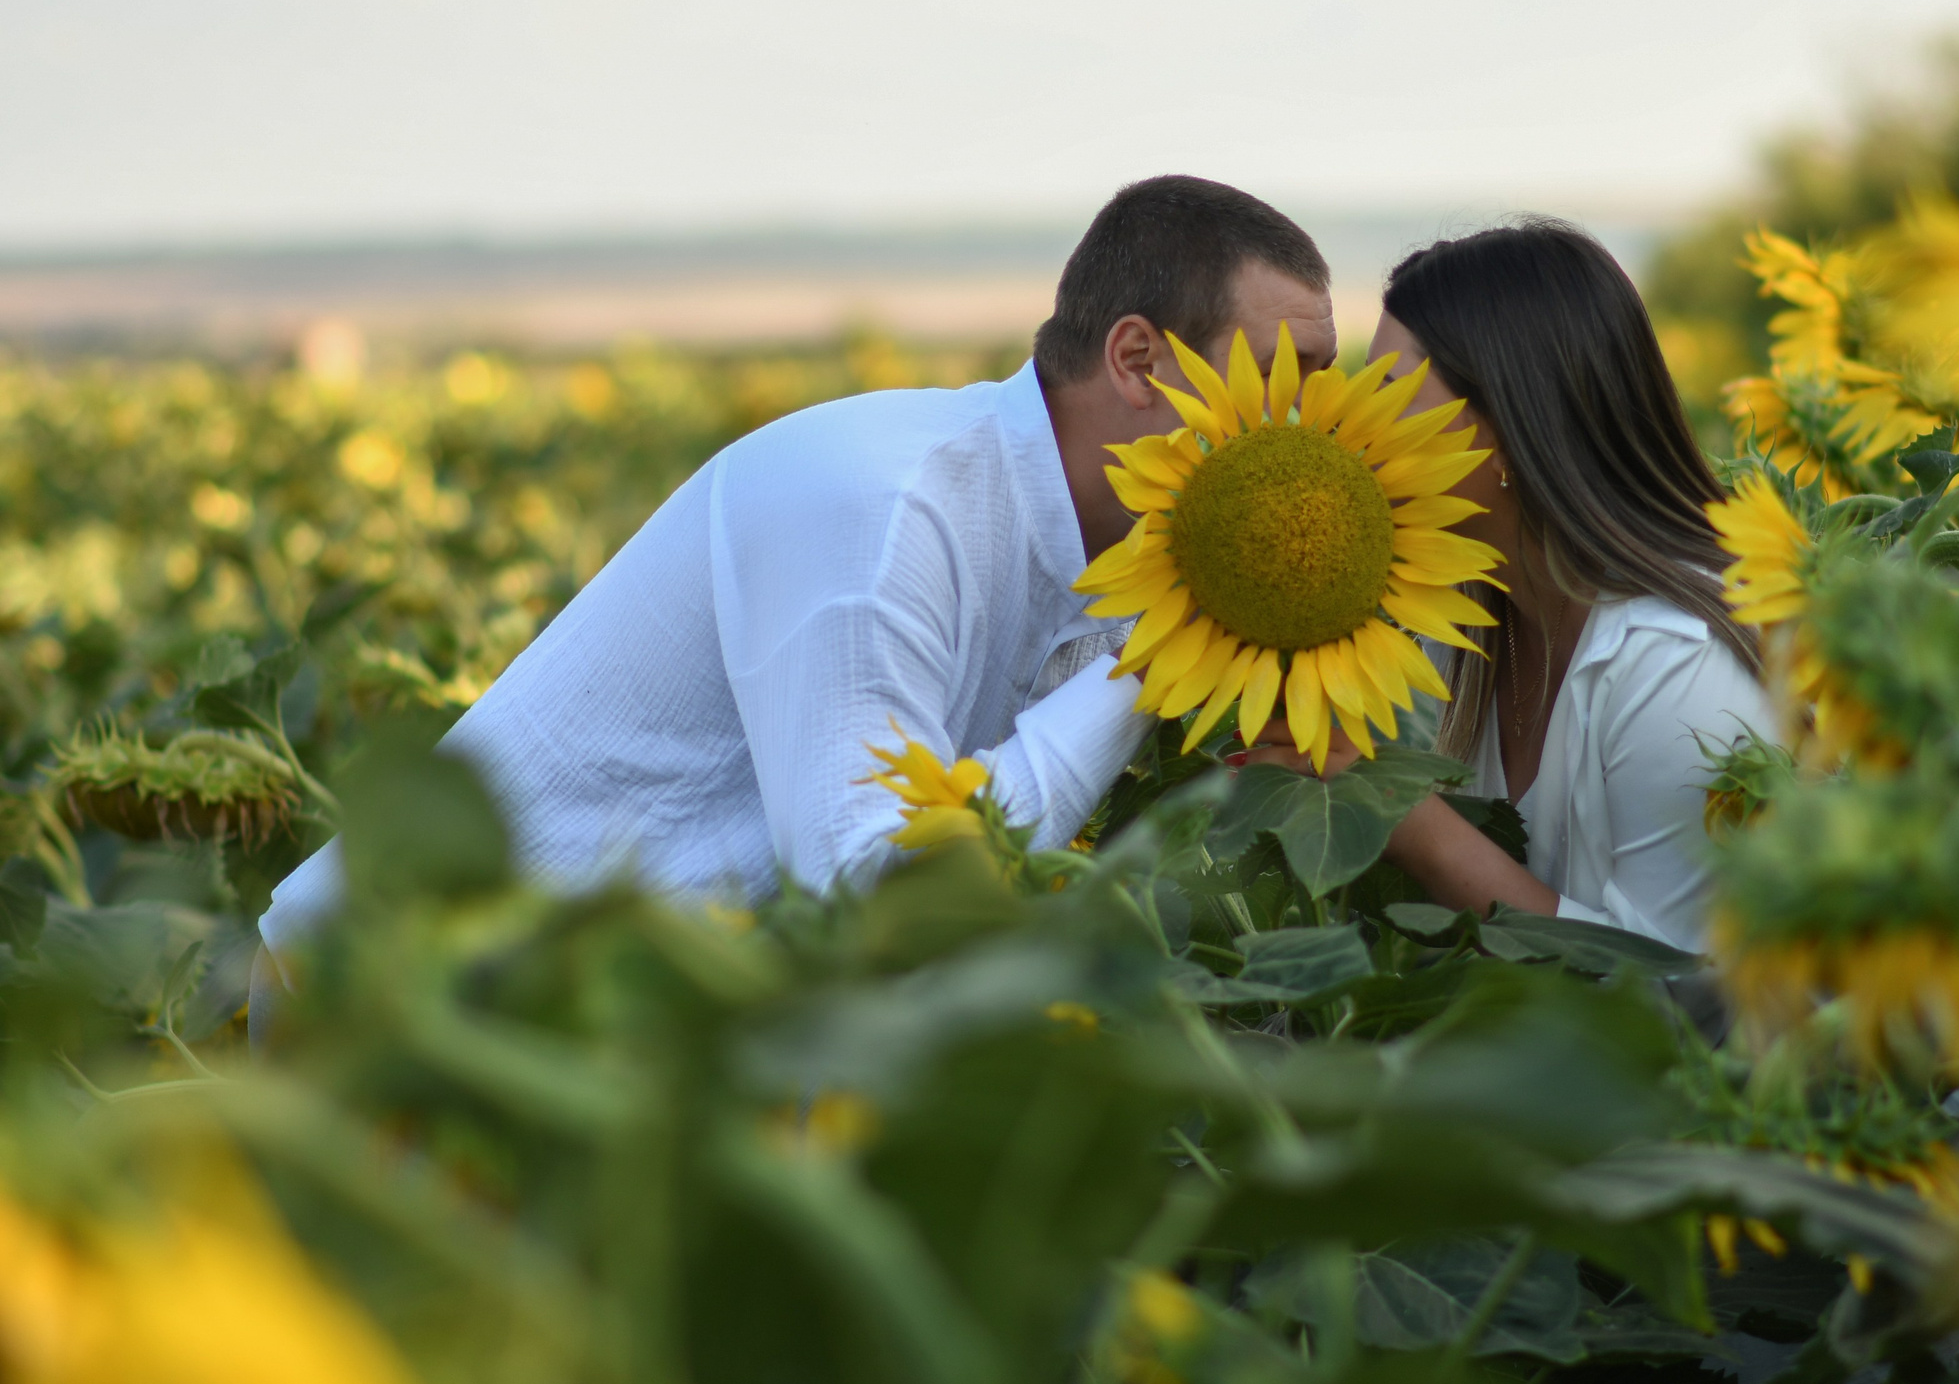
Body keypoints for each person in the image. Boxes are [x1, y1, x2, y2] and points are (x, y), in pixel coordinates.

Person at [257, 175, 1337, 958]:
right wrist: (1156, 657)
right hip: (395, 1015)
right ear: (1137, 360)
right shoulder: (886, 512)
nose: (1304, 425)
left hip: (613, 1028)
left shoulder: (1124, 538)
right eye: (1281, 375)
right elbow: (874, 890)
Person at [1245, 219, 1771, 952]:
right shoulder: (1464, 619)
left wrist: (1410, 824)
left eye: (1389, 393)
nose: (1352, 431)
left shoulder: (1671, 661)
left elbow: (1679, 998)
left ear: (1503, 421)